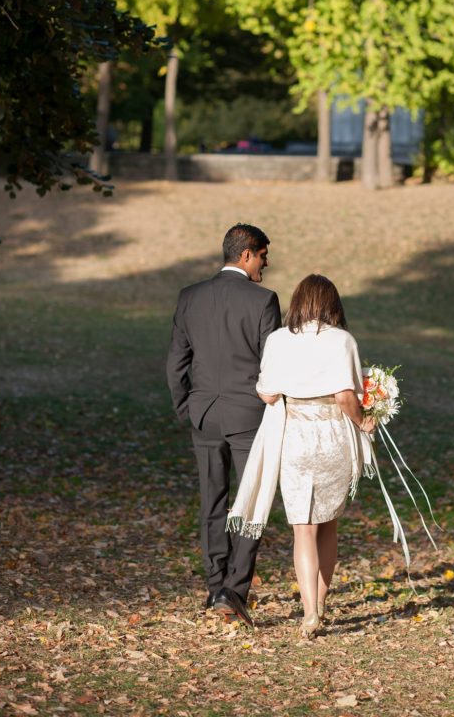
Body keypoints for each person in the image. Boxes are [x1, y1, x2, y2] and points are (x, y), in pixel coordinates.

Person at [227, 274, 376, 637]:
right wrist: (365, 422)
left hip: (295, 436)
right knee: (328, 523)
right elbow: (345, 396)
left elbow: (267, 393)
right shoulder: (343, 340)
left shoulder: (278, 340)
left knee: (303, 528)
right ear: (332, 303)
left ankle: (309, 611)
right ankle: (320, 607)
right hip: (332, 436)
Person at [166, 223, 282, 627]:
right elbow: (274, 366)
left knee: (212, 502)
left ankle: (216, 585)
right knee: (251, 503)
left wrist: (187, 408)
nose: (266, 265)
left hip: (204, 414)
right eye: (264, 256)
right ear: (247, 254)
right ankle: (234, 589)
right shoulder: (264, 300)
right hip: (249, 415)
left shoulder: (189, 297)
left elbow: (176, 363)